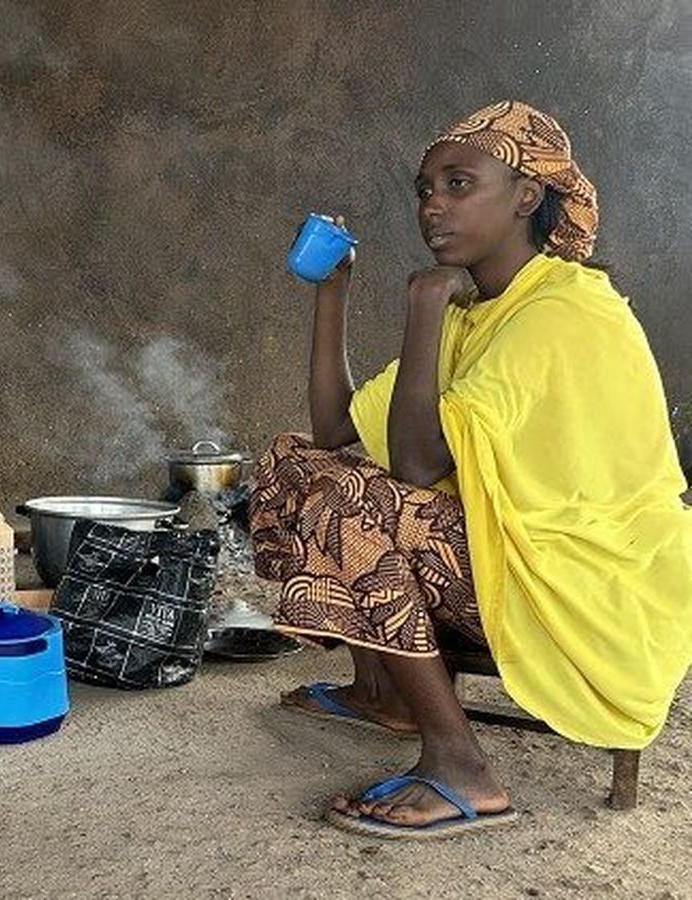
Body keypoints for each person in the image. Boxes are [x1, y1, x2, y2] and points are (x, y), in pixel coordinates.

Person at [251, 101, 692, 838]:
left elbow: (418, 464)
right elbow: (335, 428)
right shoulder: (473, 311)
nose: (433, 206)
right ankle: (384, 693)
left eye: (460, 184)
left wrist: (424, 308)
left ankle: (462, 766)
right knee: (294, 461)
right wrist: (335, 293)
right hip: (503, 550)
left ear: (526, 196)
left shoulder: (564, 311)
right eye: (426, 189)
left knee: (350, 498)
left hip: (587, 581)